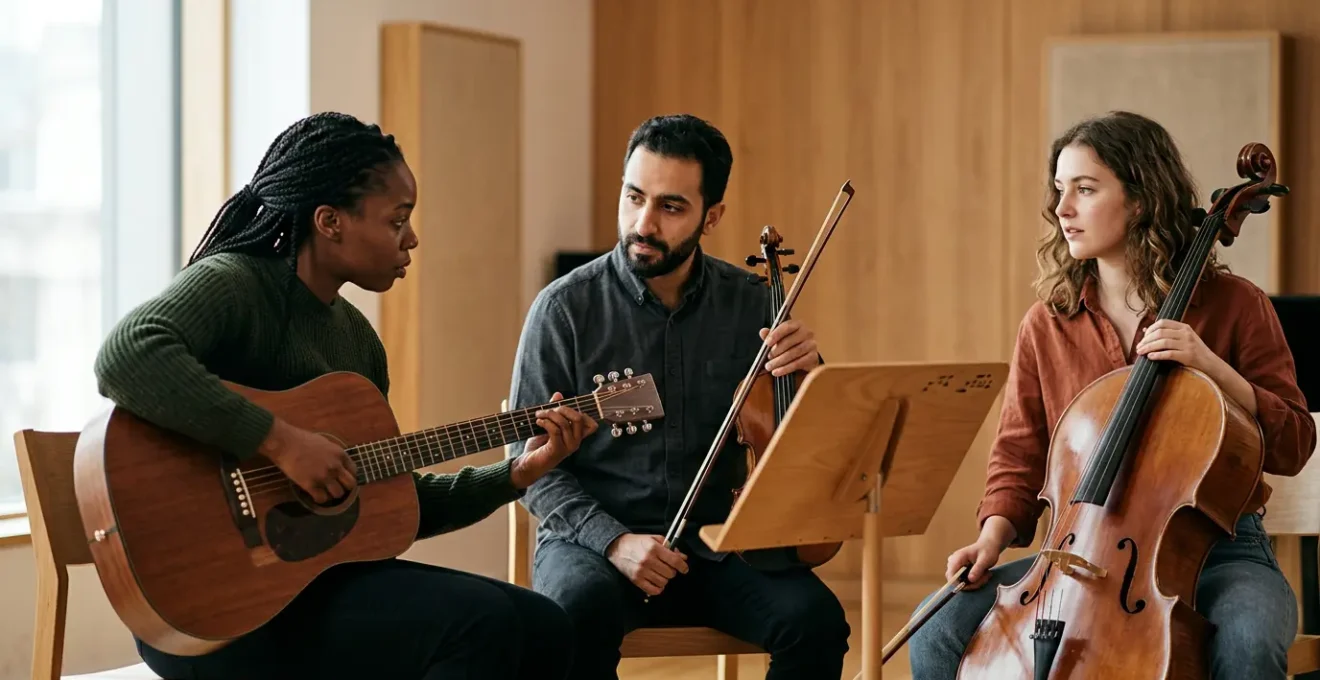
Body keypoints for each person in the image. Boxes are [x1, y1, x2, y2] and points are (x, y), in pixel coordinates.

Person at [93, 112, 596, 680]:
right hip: (214, 612)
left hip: (315, 589)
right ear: (330, 221)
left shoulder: (358, 343)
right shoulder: (237, 281)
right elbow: (126, 354)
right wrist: (281, 442)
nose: (412, 238)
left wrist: (516, 476)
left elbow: (384, 505)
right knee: (482, 624)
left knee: (548, 626)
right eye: (396, 220)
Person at [906, 110, 1317, 679]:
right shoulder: (1048, 323)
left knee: (1248, 641)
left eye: (1085, 189)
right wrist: (991, 539)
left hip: (1217, 549)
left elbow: (1295, 443)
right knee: (937, 627)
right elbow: (1018, 456)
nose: (1063, 209)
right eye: (1059, 190)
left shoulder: (1235, 305)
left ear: (1142, 199)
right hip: (1075, 548)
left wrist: (1212, 367)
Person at [506, 113, 851, 679]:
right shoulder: (564, 310)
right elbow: (527, 464)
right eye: (634, 196)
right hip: (594, 544)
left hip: (717, 546)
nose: (643, 222)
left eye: (670, 207)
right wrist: (614, 541)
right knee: (574, 614)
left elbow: (804, 446)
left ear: (711, 216)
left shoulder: (751, 304)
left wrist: (811, 374)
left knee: (815, 622)